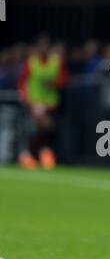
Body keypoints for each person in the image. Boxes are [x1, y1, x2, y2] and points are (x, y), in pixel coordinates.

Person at [17, 35, 68, 169]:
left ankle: (44, 152)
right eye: (41, 46)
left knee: (47, 128)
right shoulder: (31, 62)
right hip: (33, 104)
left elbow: (63, 80)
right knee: (31, 128)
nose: (43, 49)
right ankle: (28, 155)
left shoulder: (56, 61)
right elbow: (22, 83)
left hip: (49, 105)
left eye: (46, 46)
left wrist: (53, 83)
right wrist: (27, 100)